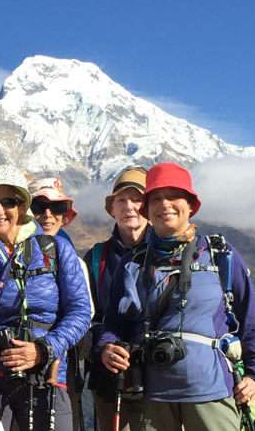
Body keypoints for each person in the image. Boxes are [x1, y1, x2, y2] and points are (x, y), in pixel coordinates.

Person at [97, 163, 255, 431]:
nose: (164, 204)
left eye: (173, 196)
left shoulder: (221, 256)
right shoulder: (132, 264)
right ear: (147, 210)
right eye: (155, 198)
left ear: (190, 205)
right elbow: (113, 323)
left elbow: (250, 318)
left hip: (212, 391)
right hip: (150, 396)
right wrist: (107, 346)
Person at [0, 165, 92, 431]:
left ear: (22, 206)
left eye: (8, 201)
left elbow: (80, 313)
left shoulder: (57, 251)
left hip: (48, 375)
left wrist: (44, 349)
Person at [81, 167, 152, 431]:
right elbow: (86, 315)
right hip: (109, 379)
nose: (129, 207)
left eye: (137, 200)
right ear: (112, 209)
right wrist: (103, 346)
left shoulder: (169, 254)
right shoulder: (96, 258)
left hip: (158, 378)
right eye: (121, 200)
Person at [28, 177, 94, 431]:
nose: (47, 215)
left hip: (59, 371)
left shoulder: (75, 263)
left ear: (65, 216)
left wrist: (50, 349)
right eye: (39, 207)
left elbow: (82, 317)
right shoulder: (4, 256)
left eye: (56, 208)